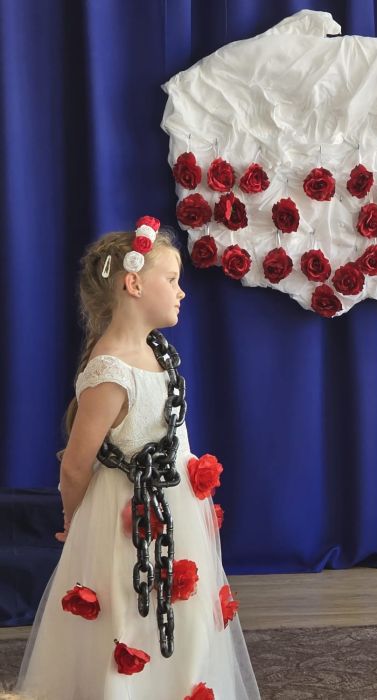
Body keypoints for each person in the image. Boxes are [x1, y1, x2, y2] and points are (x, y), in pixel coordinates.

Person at [18, 219, 259, 700]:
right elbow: (75, 464)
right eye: (171, 279)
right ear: (133, 284)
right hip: (125, 519)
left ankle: (177, 686)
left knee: (183, 612)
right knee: (127, 609)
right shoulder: (110, 371)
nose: (181, 292)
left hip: (174, 510)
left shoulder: (156, 351)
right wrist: (74, 519)